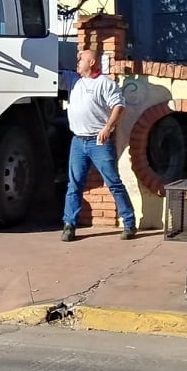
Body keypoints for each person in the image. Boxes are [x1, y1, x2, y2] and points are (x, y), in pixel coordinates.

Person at [60, 49, 137, 242]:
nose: (77, 61)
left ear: (92, 62)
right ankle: (69, 225)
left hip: (98, 141)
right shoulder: (72, 80)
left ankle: (129, 223)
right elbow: (51, 75)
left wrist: (108, 128)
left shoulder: (105, 83)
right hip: (77, 141)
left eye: (81, 59)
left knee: (113, 182)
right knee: (74, 184)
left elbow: (119, 106)